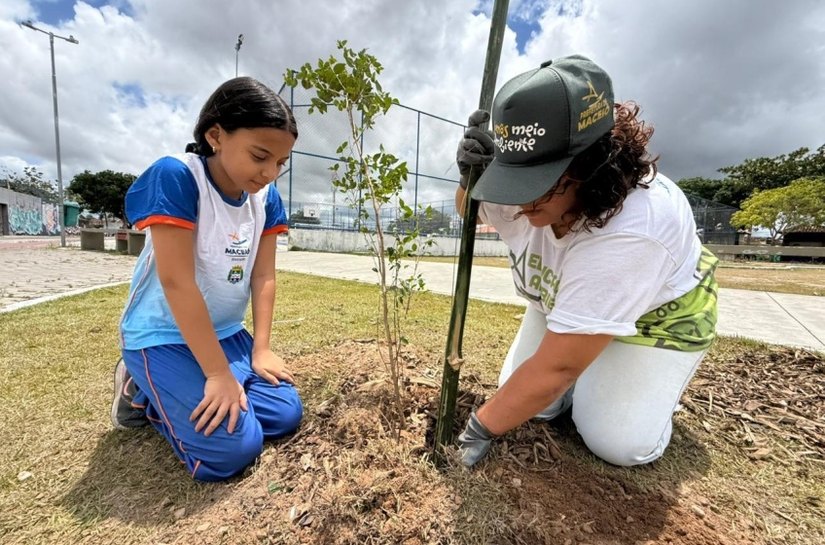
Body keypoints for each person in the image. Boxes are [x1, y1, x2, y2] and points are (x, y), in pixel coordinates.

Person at [454, 55, 718, 468]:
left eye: (537, 184)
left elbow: (557, 366)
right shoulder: (523, 188)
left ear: (591, 165)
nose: (521, 201)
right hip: (563, 299)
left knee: (616, 441)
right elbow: (471, 210)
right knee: (533, 404)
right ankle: (593, 368)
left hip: (657, 316)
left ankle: (635, 386)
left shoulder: (637, 228)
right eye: (512, 178)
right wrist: (467, 178)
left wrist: (480, 427)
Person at [110, 77, 303, 482]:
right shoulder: (178, 177)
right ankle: (141, 392)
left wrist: (262, 349)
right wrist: (217, 375)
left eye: (280, 163)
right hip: (163, 335)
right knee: (234, 449)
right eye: (260, 156)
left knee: (285, 414)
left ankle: (174, 387)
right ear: (216, 135)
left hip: (227, 332)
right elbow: (177, 282)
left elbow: (264, 274)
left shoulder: (266, 199)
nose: (270, 173)